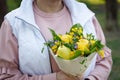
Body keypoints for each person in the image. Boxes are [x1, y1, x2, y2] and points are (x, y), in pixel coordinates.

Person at [0, 0, 112, 80]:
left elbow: (103, 59)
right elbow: (7, 76)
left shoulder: (85, 15)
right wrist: (54, 78)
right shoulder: (13, 23)